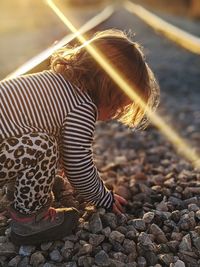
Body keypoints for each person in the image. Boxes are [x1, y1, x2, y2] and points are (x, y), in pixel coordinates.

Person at [0, 29, 160, 245]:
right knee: (43, 146)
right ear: (108, 90)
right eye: (118, 107)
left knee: (48, 140)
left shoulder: (56, 82)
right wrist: (103, 197)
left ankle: (21, 190)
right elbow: (78, 165)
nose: (116, 114)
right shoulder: (81, 106)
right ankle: (29, 220)